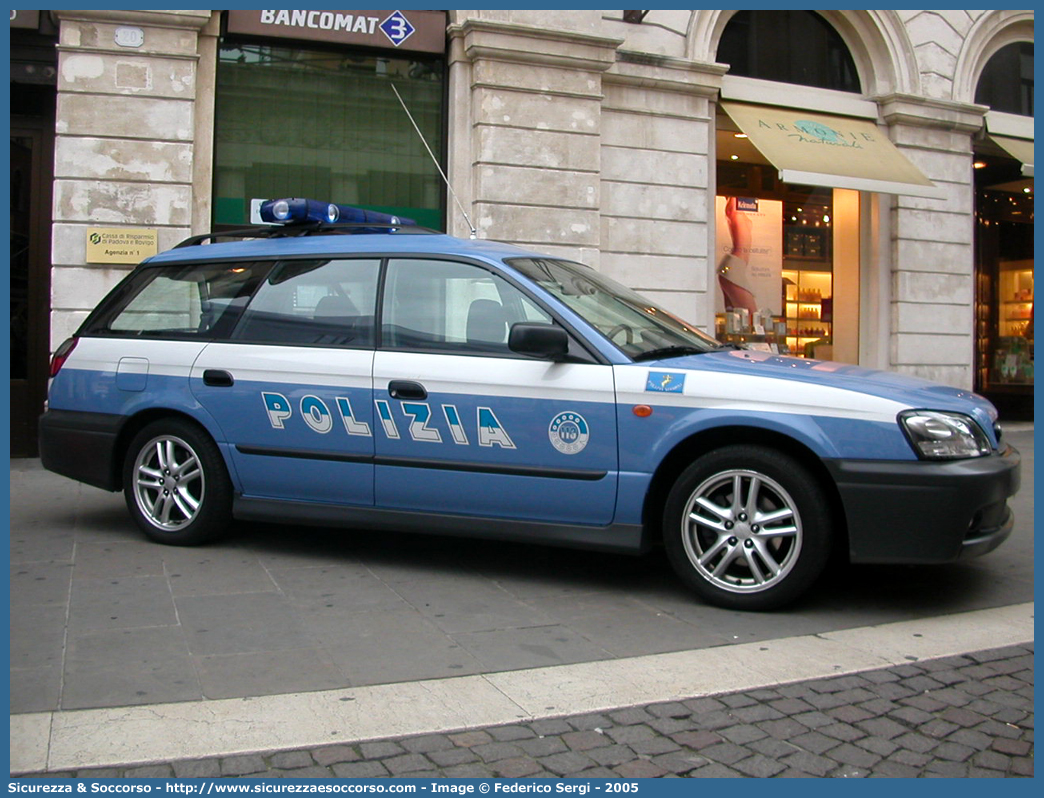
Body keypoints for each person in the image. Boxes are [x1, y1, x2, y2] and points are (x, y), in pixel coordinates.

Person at [718, 196, 758, 318]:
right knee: (752, 316)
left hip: (734, 266)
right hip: (734, 267)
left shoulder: (735, 206)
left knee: (737, 316)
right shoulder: (734, 204)